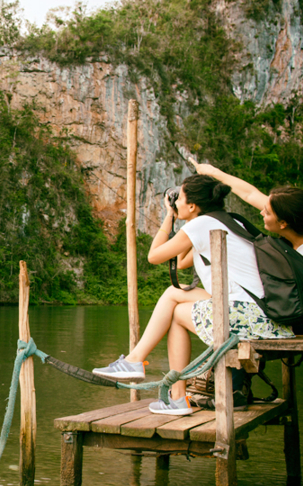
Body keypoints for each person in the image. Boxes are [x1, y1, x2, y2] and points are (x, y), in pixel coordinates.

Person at [92, 173, 296, 415]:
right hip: (261, 312)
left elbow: (154, 256)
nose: (175, 202)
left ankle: (143, 367)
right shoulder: (226, 221)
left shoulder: (203, 224)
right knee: (174, 299)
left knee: (174, 304)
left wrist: (169, 218)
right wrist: (182, 220)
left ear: (192, 205)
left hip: (249, 316)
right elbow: (182, 263)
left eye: (181, 198)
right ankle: (156, 380)